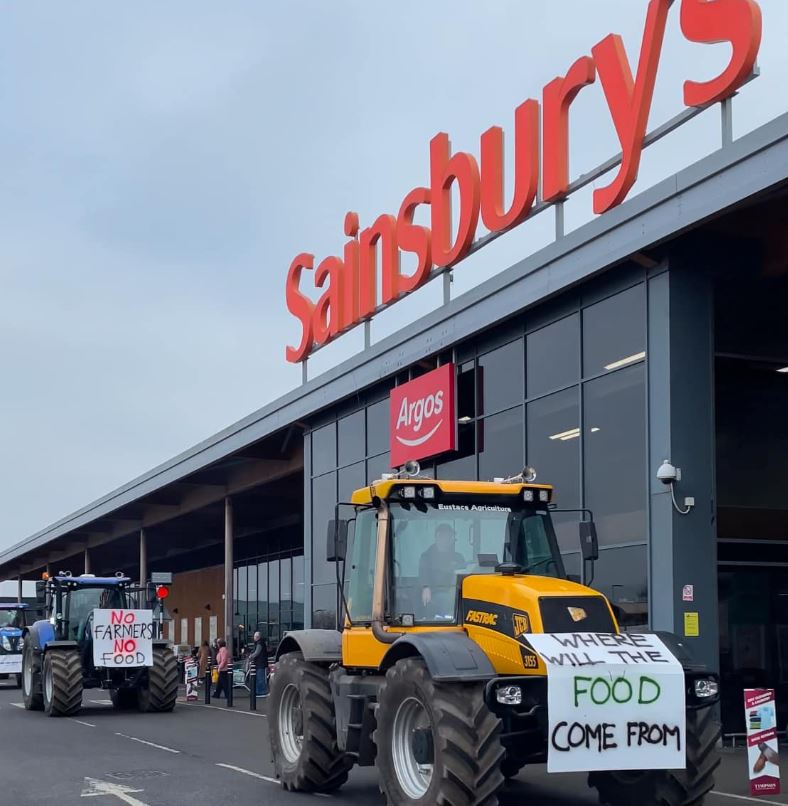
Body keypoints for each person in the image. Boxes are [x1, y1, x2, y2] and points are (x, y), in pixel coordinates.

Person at [418, 522, 467, 617]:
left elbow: (464, 572)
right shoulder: (427, 556)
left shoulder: (458, 557)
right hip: (435, 592)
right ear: (437, 537)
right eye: (445, 536)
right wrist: (426, 587)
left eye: (450, 537)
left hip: (457, 591)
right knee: (446, 598)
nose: (448, 539)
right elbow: (423, 573)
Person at [248, 631, 269, 697]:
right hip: (260, 663)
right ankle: (258, 691)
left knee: (260, 678)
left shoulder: (259, 643)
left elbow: (257, 652)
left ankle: (261, 691)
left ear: (257, 637)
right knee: (258, 678)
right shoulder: (260, 643)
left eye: (254, 636)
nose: (253, 638)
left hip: (260, 663)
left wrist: (251, 657)